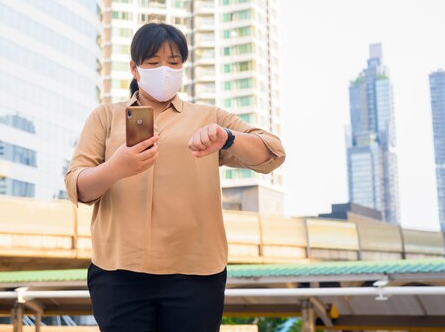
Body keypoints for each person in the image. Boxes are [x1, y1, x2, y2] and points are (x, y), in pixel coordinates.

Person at [65, 23, 285, 332]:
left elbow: (271, 154)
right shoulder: (106, 116)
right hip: (119, 273)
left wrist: (228, 137)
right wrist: (117, 166)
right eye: (153, 62)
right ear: (134, 68)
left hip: (195, 275)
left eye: (174, 61)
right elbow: (77, 185)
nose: (165, 70)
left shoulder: (208, 117)